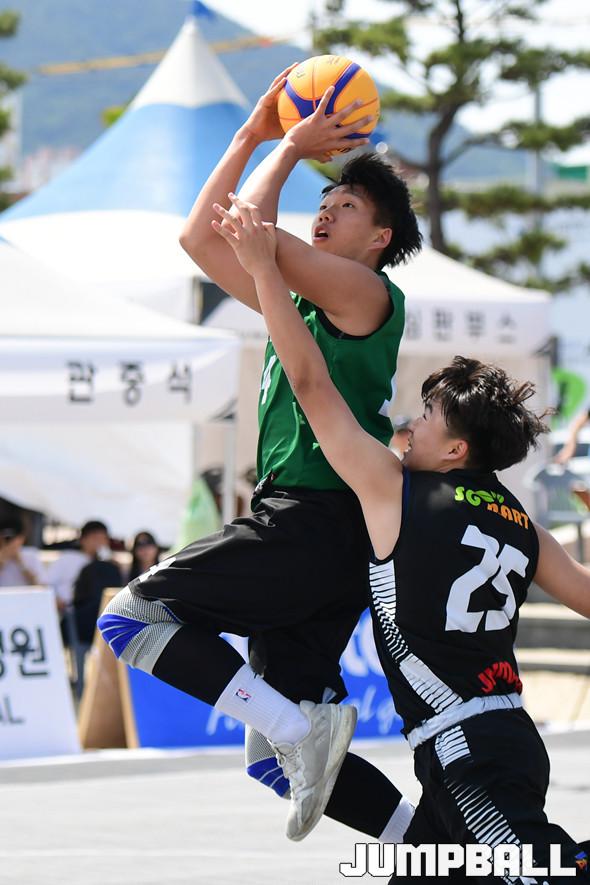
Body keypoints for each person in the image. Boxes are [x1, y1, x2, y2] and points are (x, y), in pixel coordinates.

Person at [212, 195, 589, 882]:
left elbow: (310, 385)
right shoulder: (520, 521)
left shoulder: (397, 493)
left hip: (463, 746)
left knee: (548, 872)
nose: (410, 426)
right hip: (498, 735)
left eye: (429, 417)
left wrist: (266, 271)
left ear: (457, 450)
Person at [98, 69, 421, 844]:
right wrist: (252, 134)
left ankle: (301, 728)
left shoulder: (365, 294)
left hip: (315, 518)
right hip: (321, 529)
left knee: (129, 617)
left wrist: (290, 145)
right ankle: (438, 847)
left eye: (347, 205)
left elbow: (247, 227)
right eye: (324, 199)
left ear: (379, 239)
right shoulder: (297, 296)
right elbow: (200, 238)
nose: (326, 209)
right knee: (274, 758)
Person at [47, 519, 112, 614]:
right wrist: (56, 600)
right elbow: (46, 584)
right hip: (68, 612)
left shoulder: (108, 567)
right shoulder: (67, 558)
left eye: (103, 539)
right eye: (95, 538)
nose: (99, 543)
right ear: (83, 539)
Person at [0, 514, 46, 588]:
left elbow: (40, 586)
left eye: (11, 538)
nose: (8, 542)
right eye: (6, 538)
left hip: (26, 595)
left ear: (21, 538)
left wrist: (21, 564)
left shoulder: (31, 555)